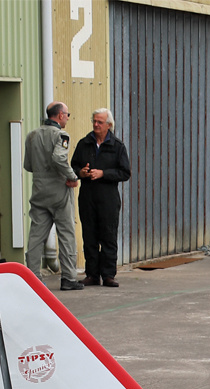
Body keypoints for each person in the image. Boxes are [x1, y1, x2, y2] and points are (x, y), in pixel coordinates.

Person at [70, 108, 131, 287]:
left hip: (108, 198)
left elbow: (125, 172)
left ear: (109, 125)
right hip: (88, 197)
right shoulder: (84, 143)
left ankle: (108, 274)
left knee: (108, 236)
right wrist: (80, 173)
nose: (96, 125)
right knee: (89, 236)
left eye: (100, 122)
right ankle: (92, 274)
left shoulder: (117, 146)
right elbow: (73, 167)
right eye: (94, 121)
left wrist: (104, 173)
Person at [24, 101, 82, 290]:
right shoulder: (61, 136)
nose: (67, 118)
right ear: (59, 115)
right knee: (66, 234)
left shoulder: (32, 135)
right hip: (59, 190)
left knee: (36, 236)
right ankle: (68, 278)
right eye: (67, 114)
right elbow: (59, 158)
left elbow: (28, 165)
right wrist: (72, 176)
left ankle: (32, 278)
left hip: (39, 190)